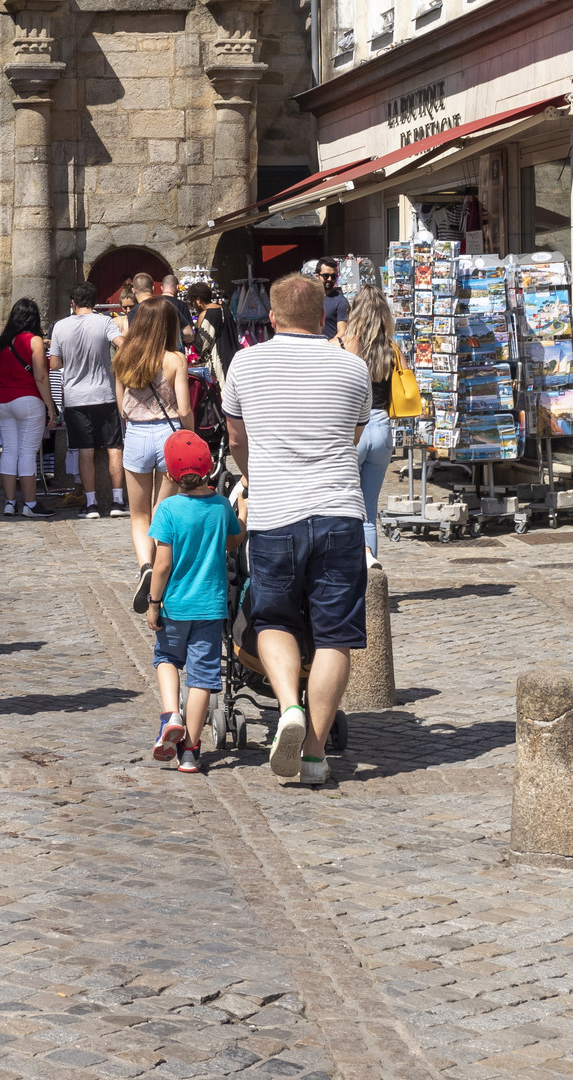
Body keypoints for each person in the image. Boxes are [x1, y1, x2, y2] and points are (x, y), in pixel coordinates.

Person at [222, 273, 371, 788]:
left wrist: (254, 474)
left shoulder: (246, 362)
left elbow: (235, 435)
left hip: (275, 513)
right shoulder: (354, 369)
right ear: (325, 317)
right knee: (335, 635)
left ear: (272, 317)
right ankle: (313, 754)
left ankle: (287, 707)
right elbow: (352, 436)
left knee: (274, 619)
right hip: (338, 511)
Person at [146, 430, 243, 774]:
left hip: (174, 605)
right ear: (210, 470)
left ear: (170, 476)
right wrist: (240, 516)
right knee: (202, 677)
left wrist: (153, 602)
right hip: (211, 606)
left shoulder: (168, 509)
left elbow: (162, 564)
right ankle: (190, 752)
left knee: (167, 658)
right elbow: (234, 542)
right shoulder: (218, 506)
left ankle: (171, 713)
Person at [113, 300, 196, 609]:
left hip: (136, 434)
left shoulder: (124, 356)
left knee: (138, 514)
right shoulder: (175, 359)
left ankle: (146, 566)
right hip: (169, 435)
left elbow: (121, 407)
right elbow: (185, 408)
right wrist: (190, 432)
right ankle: (163, 574)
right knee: (163, 510)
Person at [48, 276, 125, 518]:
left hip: (76, 398)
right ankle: (117, 501)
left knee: (85, 450)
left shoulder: (60, 326)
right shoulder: (104, 323)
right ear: (94, 302)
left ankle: (91, 503)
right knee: (114, 448)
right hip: (104, 393)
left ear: (73, 303)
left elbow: (55, 363)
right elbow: (122, 343)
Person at [336, 283, 395, 565]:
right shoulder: (392, 347)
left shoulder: (344, 344)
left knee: (346, 508)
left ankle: (353, 574)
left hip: (354, 428)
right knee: (369, 511)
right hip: (382, 426)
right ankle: (372, 575)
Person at [0, 297, 56, 517]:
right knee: (27, 453)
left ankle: (9, 502)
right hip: (27, 401)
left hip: (1, 402)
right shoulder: (34, 341)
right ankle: (30, 504)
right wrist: (50, 407)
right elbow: (41, 377)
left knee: (9, 451)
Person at [317, 257, 349, 340]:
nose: (330, 279)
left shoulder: (341, 301)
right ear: (317, 276)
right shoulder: (309, 298)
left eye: (333, 276)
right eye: (326, 276)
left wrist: (328, 346)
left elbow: (342, 332)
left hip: (328, 349)